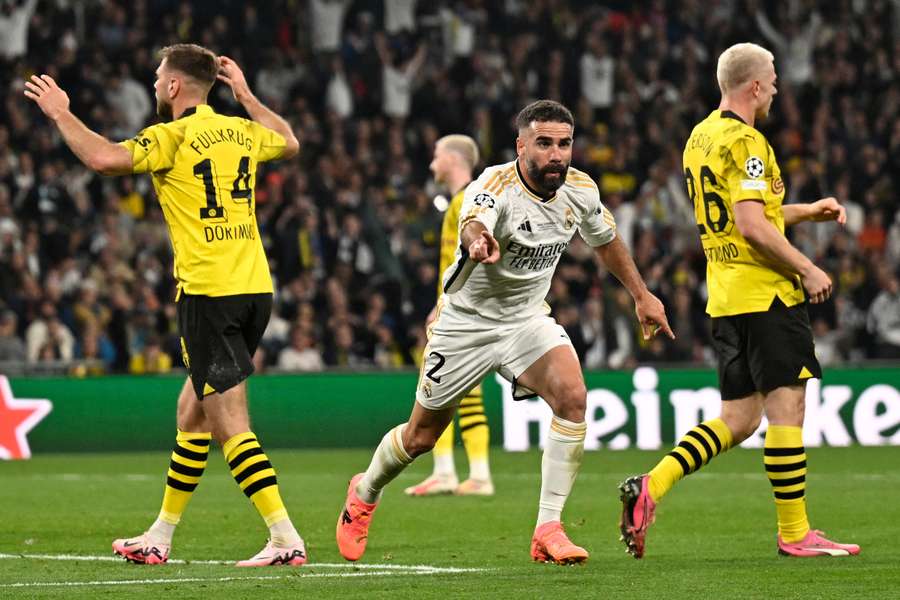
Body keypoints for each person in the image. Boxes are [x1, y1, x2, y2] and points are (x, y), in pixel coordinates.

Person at [336, 99, 673, 565]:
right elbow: (475, 219)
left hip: (525, 319)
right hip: (466, 324)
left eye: (565, 144)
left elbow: (607, 241)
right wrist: (476, 239)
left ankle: (547, 528)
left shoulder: (580, 189)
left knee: (573, 398)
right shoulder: (494, 184)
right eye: (544, 144)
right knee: (420, 438)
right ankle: (364, 492)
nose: (557, 154)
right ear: (521, 145)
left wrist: (641, 294)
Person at [25, 44, 307, 567]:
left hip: (209, 292)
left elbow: (103, 158)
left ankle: (284, 536)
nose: (156, 85)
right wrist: (244, 95)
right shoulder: (241, 130)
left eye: (159, 77)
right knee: (191, 414)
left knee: (229, 423)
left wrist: (60, 112)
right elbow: (289, 142)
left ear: (175, 86)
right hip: (254, 288)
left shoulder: (172, 136)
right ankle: (160, 535)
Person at [618, 42, 860, 559]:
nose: (775, 88)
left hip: (725, 297)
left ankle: (650, 486)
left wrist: (802, 211)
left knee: (738, 420)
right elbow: (751, 227)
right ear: (753, 85)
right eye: (772, 80)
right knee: (787, 408)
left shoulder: (700, 138)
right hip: (766, 294)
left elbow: (741, 214)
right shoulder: (749, 143)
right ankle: (795, 533)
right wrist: (807, 266)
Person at [404, 134, 494, 497]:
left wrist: (447, 306)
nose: (431, 164)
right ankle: (470, 473)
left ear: (454, 159)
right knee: (459, 388)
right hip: (457, 307)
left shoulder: (469, 202)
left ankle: (455, 472)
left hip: (463, 311)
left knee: (437, 383)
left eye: (436, 156)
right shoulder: (459, 201)